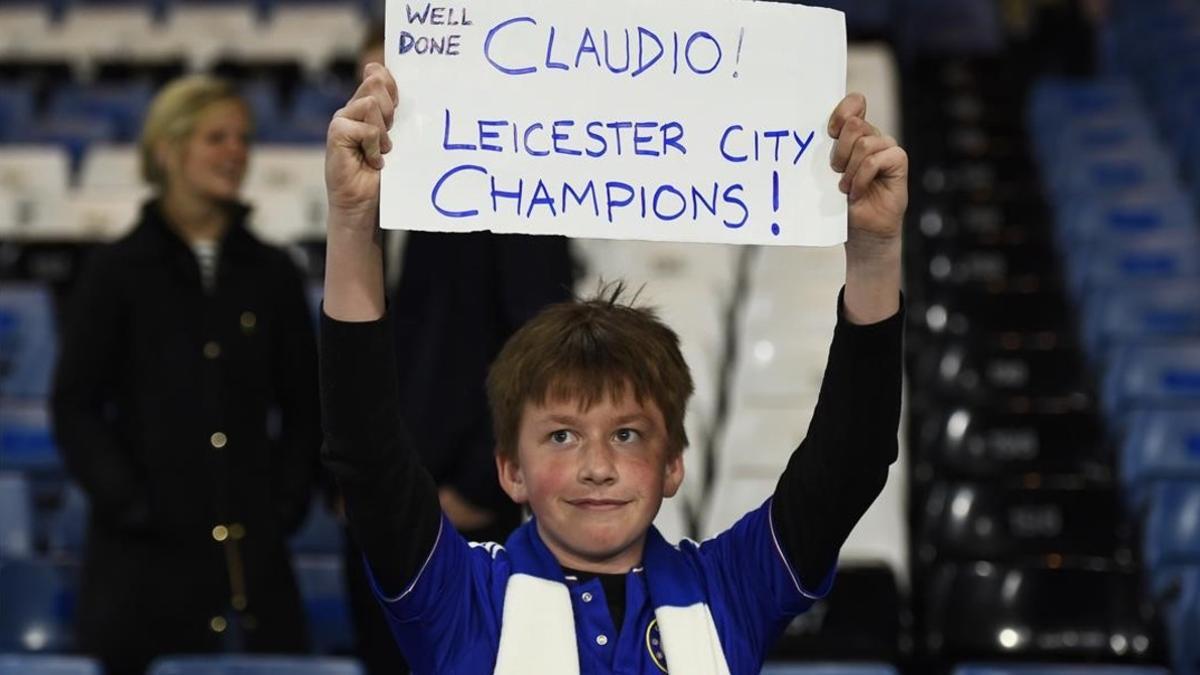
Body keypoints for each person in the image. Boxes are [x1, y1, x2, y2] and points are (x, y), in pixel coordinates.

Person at [320, 63, 906, 673]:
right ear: (510, 470)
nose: (597, 468)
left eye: (627, 434)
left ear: (673, 463)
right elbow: (367, 454)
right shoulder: (461, 598)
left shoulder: (733, 588)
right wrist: (354, 222)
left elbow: (852, 458)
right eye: (562, 436)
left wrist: (874, 251)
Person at [51, 75, 320, 675]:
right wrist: (129, 501)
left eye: (243, 138)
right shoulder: (115, 271)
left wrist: (284, 502)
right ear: (167, 150)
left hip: (256, 555)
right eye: (215, 138)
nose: (236, 153)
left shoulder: (272, 272)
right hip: (142, 563)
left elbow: (306, 407)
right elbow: (74, 406)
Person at [338, 24, 575, 675]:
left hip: (459, 520)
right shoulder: (357, 196)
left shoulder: (508, 185)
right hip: (379, 515)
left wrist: (478, 486)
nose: (378, 103)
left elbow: (540, 344)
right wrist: (350, 476)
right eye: (367, 86)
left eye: (394, 86)